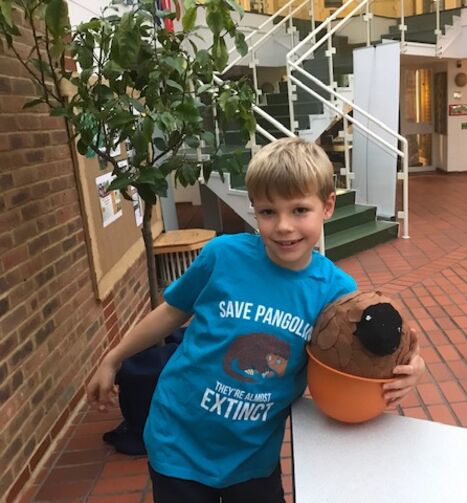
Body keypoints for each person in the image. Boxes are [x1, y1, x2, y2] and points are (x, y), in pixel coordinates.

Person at [86, 137, 426, 503]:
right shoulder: (222, 255)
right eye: (267, 211)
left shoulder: (337, 292)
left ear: (327, 206)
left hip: (253, 458)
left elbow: (361, 356)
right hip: (178, 441)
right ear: (254, 210)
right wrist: (113, 357)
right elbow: (171, 311)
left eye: (299, 210)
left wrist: (411, 367)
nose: (283, 226)